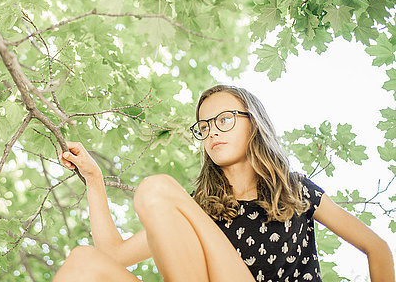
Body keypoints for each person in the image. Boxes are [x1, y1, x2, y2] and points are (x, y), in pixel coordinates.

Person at [52, 84, 395, 282]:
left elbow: (376, 248)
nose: (212, 130)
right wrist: (94, 180)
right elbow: (114, 254)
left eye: (225, 119)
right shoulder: (203, 208)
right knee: (83, 262)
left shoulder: (296, 189)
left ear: (254, 123)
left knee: (157, 187)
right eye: (204, 126)